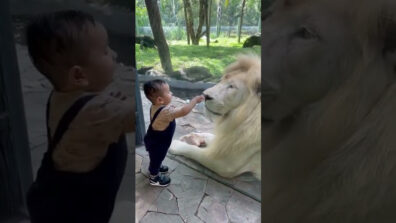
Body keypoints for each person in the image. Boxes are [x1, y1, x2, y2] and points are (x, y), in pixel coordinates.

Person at [25, 10, 134, 223]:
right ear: (78, 75)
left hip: (56, 202)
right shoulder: (97, 112)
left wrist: (112, 105)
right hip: (78, 214)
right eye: (104, 50)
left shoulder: (62, 96)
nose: (114, 54)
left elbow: (91, 120)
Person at [143, 79, 204, 186]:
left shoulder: (156, 106)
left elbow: (168, 112)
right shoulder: (166, 112)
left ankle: (156, 166)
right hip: (159, 143)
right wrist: (194, 101)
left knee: (156, 158)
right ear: (160, 100)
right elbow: (184, 111)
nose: (171, 93)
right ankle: (154, 177)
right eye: (169, 92)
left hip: (153, 139)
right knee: (156, 158)